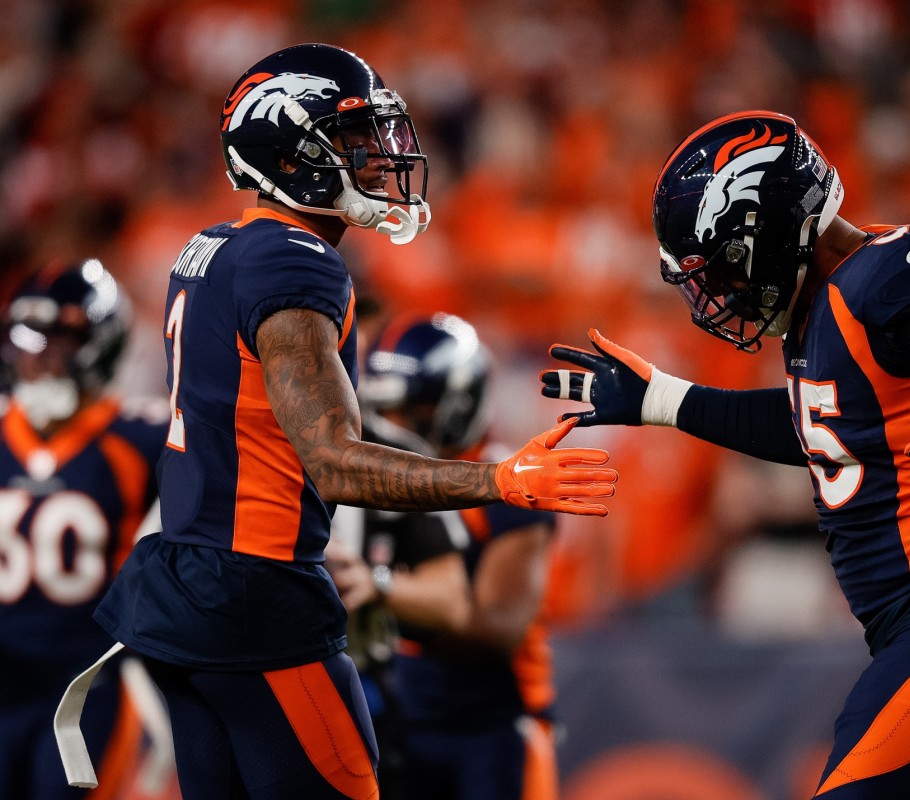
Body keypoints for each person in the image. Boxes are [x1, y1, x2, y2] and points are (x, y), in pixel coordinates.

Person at [80, 43, 616, 800]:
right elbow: (334, 461)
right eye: (350, 137)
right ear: (284, 152)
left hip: (184, 588)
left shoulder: (210, 249)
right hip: (258, 595)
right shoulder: (295, 261)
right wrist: (499, 479)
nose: (376, 155)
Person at [542, 111, 910, 798]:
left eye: (722, 267)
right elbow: (822, 425)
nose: (717, 294)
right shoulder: (823, 305)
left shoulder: (895, 271)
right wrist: (665, 400)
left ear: (765, 230)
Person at [327, 312, 560, 800]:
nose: (391, 428)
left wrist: (381, 587)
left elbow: (498, 627)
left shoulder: (509, 485)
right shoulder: (373, 477)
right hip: (403, 716)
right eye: (382, 411)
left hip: (492, 726)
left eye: (410, 410)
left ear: (459, 404)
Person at [0, 261, 167, 799]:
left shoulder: (141, 439)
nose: (38, 356)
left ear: (101, 345)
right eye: (29, 339)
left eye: (61, 340)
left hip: (88, 682)